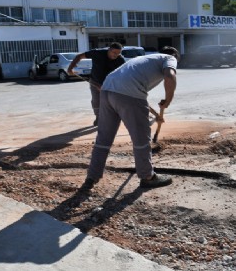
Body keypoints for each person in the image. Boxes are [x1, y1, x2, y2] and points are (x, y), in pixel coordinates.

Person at [80, 46, 180, 190]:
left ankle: (92, 176)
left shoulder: (145, 58)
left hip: (107, 89)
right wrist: (168, 100)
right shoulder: (169, 58)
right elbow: (170, 76)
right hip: (129, 94)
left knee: (103, 138)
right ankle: (147, 177)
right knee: (141, 138)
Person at [67, 42, 125, 126]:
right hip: (95, 81)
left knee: (112, 101)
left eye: (118, 53)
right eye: (114, 52)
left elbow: (123, 73)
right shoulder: (97, 53)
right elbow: (79, 56)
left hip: (110, 83)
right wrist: (70, 68)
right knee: (96, 101)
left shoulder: (120, 59)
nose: (116, 55)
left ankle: (111, 117)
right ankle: (98, 117)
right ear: (109, 50)